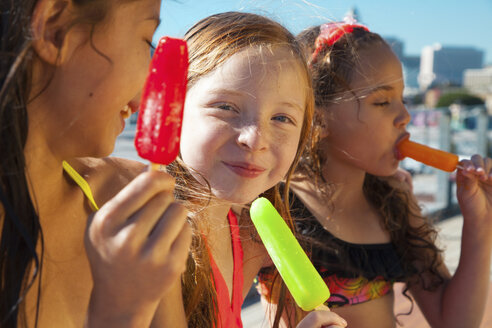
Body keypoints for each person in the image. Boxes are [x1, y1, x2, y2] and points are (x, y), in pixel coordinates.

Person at [258, 20, 492, 328]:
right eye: (382, 101)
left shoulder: (395, 201)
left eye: (403, 99)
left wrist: (480, 221)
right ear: (317, 118)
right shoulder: (273, 206)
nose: (405, 116)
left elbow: (455, 322)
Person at [148, 12, 348, 328]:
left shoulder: (246, 239)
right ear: (173, 107)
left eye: (282, 118)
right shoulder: (154, 242)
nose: (254, 140)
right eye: (226, 107)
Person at [0, 0, 192, 327]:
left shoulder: (124, 199)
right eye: (146, 40)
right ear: (56, 29)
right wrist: (120, 314)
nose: (150, 82)